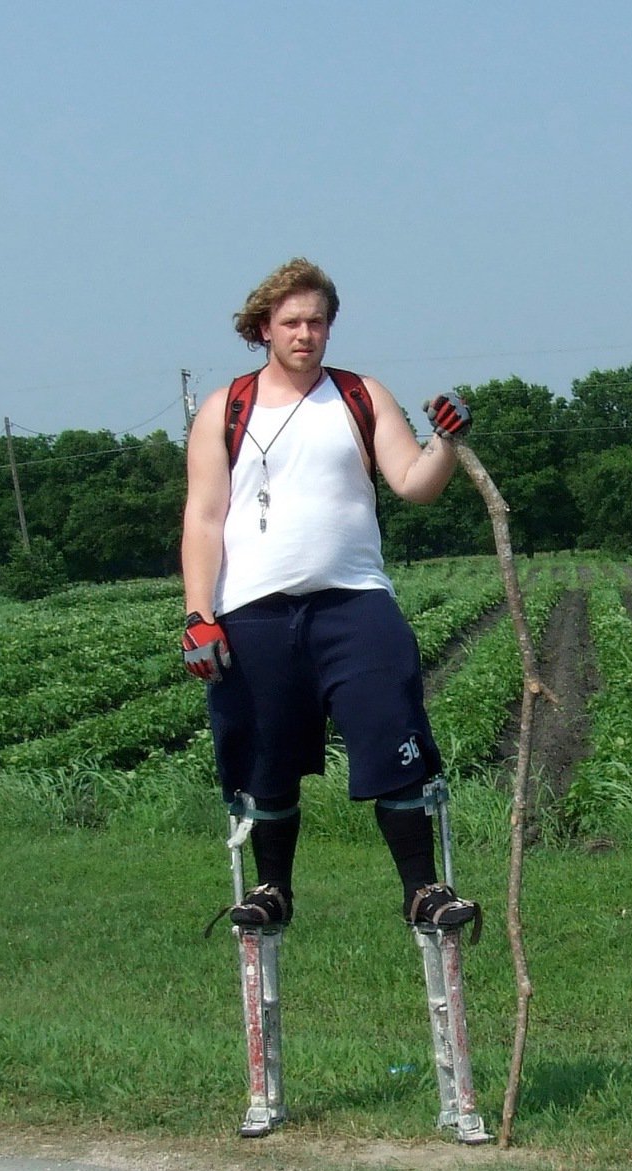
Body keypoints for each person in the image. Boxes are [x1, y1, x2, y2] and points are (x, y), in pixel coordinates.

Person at [181, 257, 479, 931]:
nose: (305, 334)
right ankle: (271, 890)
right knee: (265, 755)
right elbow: (202, 516)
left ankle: (422, 890)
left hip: (353, 603)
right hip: (252, 610)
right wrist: (198, 616)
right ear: (262, 328)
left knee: (391, 736)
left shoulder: (359, 395)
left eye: (317, 321)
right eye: (290, 322)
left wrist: (446, 442)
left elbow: (413, 482)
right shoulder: (223, 410)